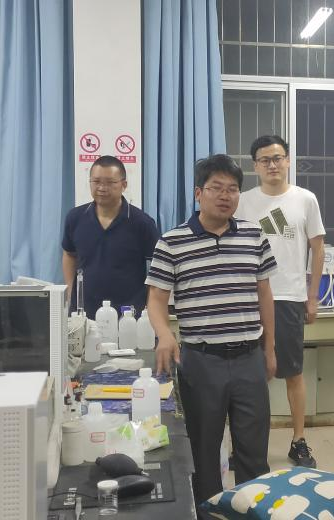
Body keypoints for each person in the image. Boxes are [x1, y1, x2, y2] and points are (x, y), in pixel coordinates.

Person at [145, 154, 278, 507]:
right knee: (203, 453)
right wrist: (164, 333)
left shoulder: (254, 235)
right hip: (201, 362)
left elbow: (265, 294)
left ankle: (252, 512)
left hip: (249, 358)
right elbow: (156, 299)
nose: (225, 196)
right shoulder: (172, 242)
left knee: (254, 452)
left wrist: (269, 349)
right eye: (216, 188)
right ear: (198, 193)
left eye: (232, 189)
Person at [236, 135, 326, 468]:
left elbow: (318, 249)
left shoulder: (305, 199)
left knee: (292, 373)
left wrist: (312, 296)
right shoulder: (243, 202)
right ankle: (246, 445)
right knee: (247, 375)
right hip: (248, 298)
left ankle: (298, 441)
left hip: (288, 297)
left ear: (288, 161)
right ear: (255, 166)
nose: (272, 165)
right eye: (265, 160)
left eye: (277, 158)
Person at [61, 155, 160, 318]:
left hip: (129, 314)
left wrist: (151, 304)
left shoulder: (142, 222)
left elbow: (158, 267)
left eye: (110, 182)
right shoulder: (75, 218)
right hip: (84, 312)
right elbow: (69, 254)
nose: (102, 188)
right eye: (96, 181)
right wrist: (72, 291)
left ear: (124, 185)